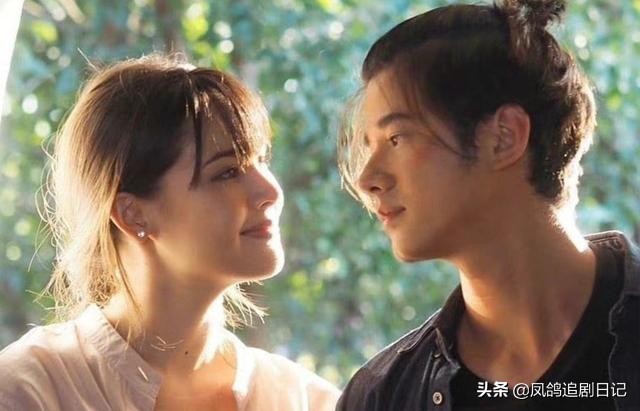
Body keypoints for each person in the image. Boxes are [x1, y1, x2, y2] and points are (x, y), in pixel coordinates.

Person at [336, 0, 639, 410]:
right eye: (368, 146)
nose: (367, 178)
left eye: (396, 139)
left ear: (504, 137)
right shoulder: (381, 396)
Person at [0, 54, 340, 411]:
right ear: (133, 215)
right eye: (227, 172)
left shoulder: (305, 399)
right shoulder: (30, 390)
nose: (270, 191)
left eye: (262, 160)